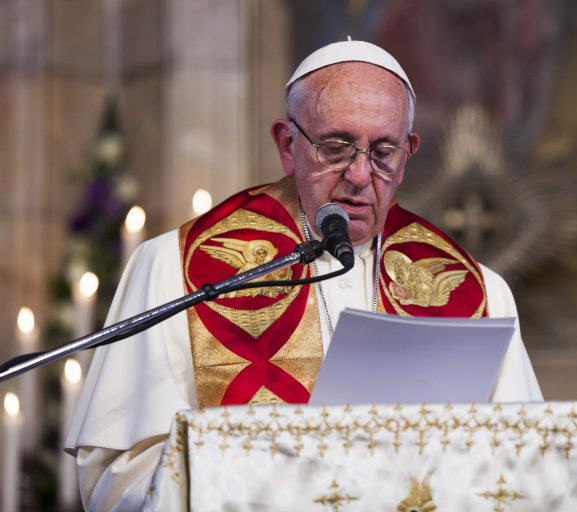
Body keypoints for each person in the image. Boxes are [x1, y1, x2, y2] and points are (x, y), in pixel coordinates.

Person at [65, 40, 542, 511]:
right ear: (287, 145)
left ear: (408, 154)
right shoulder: (173, 268)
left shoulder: (478, 295)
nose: (359, 174)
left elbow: (525, 475)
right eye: (336, 147)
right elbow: (119, 480)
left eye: (383, 151)